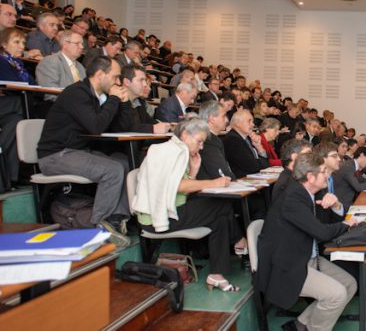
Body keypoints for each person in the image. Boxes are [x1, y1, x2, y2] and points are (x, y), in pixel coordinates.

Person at [132, 117, 246, 292]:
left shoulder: (178, 151)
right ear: (185, 134)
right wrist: (213, 183)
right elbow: (178, 186)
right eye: (199, 141)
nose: (201, 147)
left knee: (220, 219)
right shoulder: (167, 151)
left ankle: (217, 274)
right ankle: (239, 240)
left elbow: (179, 190)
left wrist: (193, 170)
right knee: (221, 206)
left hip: (173, 211)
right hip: (155, 219)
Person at [255, 152, 358, 331]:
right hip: (288, 265)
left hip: (306, 257)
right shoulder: (293, 197)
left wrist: (336, 205)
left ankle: (300, 324)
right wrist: (346, 224)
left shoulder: (312, 192)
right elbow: (321, 232)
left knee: (350, 284)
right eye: (324, 171)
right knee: (336, 295)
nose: (328, 175)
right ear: (310, 177)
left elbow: (324, 224)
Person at [36, 56, 131, 246]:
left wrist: (123, 103)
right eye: (115, 77)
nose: (117, 82)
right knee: (112, 170)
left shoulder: (92, 97)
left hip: (76, 151)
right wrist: (113, 98)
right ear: (99, 75)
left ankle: (116, 219)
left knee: (122, 162)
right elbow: (96, 127)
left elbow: (112, 125)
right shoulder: (77, 94)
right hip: (55, 155)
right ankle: (100, 226)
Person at [35, 30, 86, 101]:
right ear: (65, 44)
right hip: (59, 107)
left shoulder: (80, 67)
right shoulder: (50, 62)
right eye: (77, 43)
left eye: (82, 44)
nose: (81, 47)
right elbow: (51, 93)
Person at [333, 146, 366, 211]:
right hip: (342, 205)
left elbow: (362, 180)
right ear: (362, 155)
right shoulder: (348, 167)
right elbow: (358, 187)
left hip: (350, 200)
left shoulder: (353, 165)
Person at [222, 109, 269, 178]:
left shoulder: (248, 138)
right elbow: (252, 166)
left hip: (255, 177)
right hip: (242, 180)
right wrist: (265, 163)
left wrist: (259, 147)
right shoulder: (233, 139)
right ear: (238, 123)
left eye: (252, 122)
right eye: (249, 121)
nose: (253, 124)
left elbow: (263, 162)